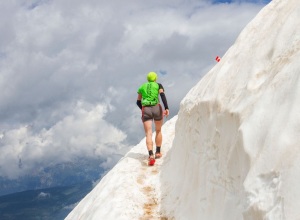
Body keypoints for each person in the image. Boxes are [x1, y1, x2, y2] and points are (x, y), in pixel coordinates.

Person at [136, 72, 169, 166]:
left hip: (146, 108)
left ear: (147, 79)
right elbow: (162, 96)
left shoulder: (142, 86)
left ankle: (151, 155)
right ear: (155, 78)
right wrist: (166, 108)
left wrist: (143, 109)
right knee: (158, 130)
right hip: (156, 108)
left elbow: (138, 101)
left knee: (148, 133)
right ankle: (158, 152)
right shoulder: (158, 85)